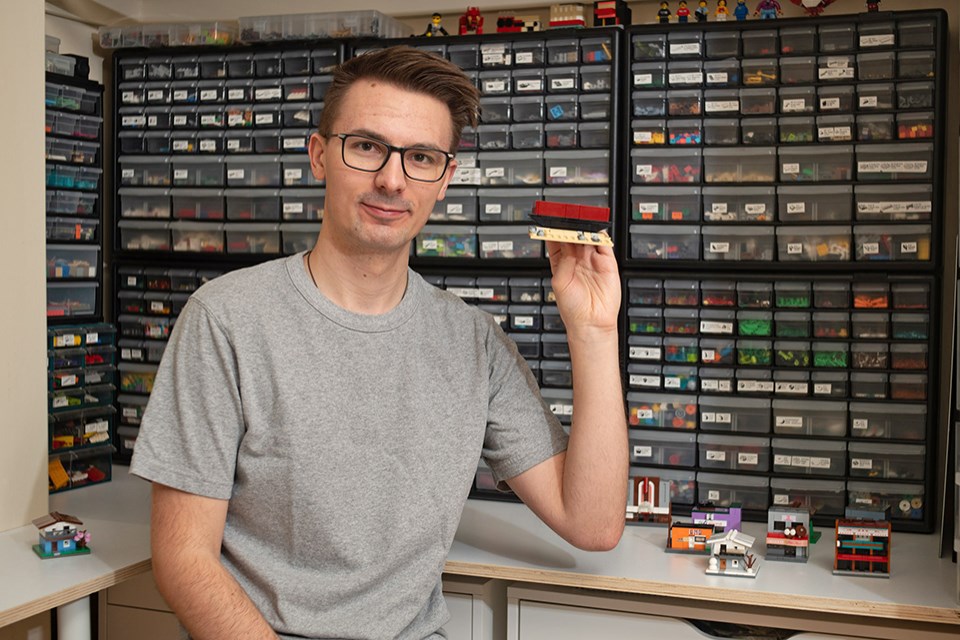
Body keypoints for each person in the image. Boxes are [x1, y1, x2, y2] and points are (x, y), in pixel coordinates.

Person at [130, 45, 627, 640]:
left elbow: (592, 523)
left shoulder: (473, 342)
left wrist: (594, 331)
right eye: (366, 146)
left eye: (420, 157)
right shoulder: (226, 320)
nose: (392, 180)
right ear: (320, 155)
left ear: (444, 179)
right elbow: (183, 559)